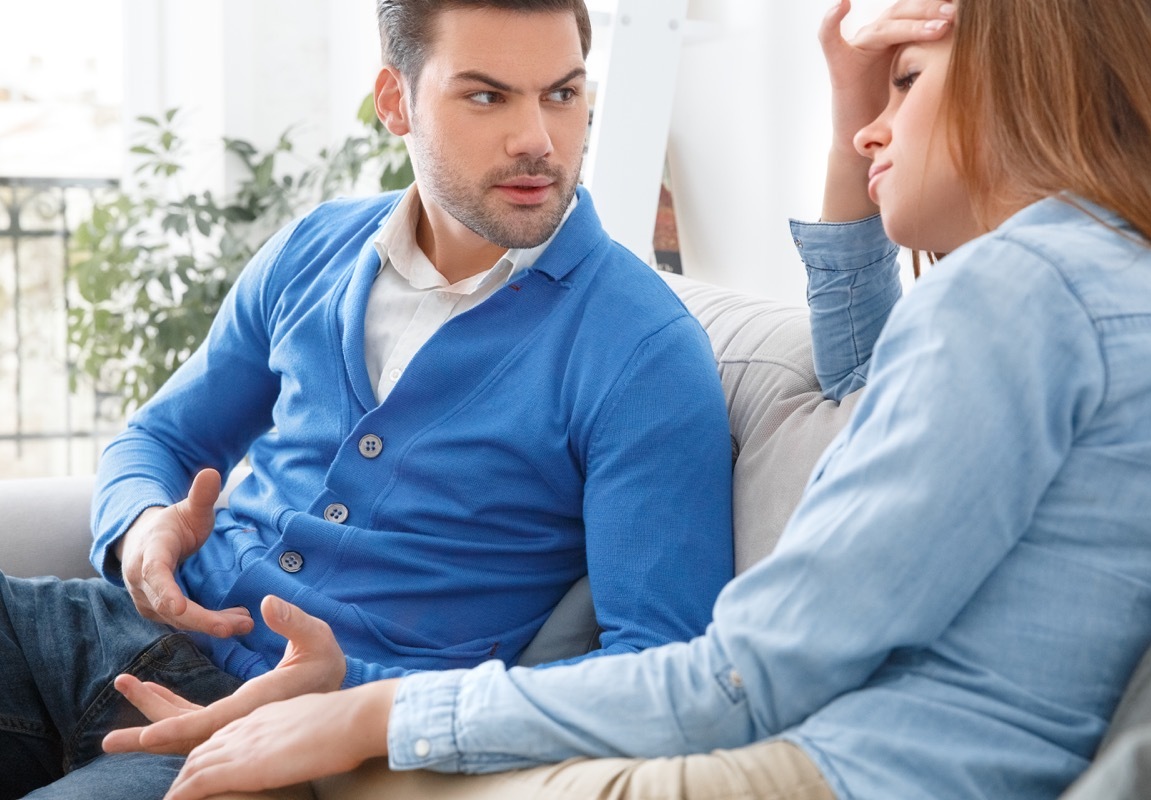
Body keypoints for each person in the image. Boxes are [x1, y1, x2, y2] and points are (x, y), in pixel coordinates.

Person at [124, 0, 1151, 798]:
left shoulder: (1017, 290)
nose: (875, 126)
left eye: (907, 82)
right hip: (872, 752)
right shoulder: (1116, 288)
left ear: (1031, 84)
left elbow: (740, 674)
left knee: (338, 767)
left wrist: (375, 703)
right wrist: (851, 109)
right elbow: (871, 377)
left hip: (842, 766)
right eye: (487, 92)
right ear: (397, 101)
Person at [0, 0, 736, 796]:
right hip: (91, 629)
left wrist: (358, 694)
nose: (539, 139)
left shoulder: (643, 353)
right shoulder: (315, 246)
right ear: (396, 102)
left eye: (562, 93)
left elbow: (662, 673)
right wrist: (143, 525)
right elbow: (161, 441)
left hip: (278, 738)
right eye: (487, 96)